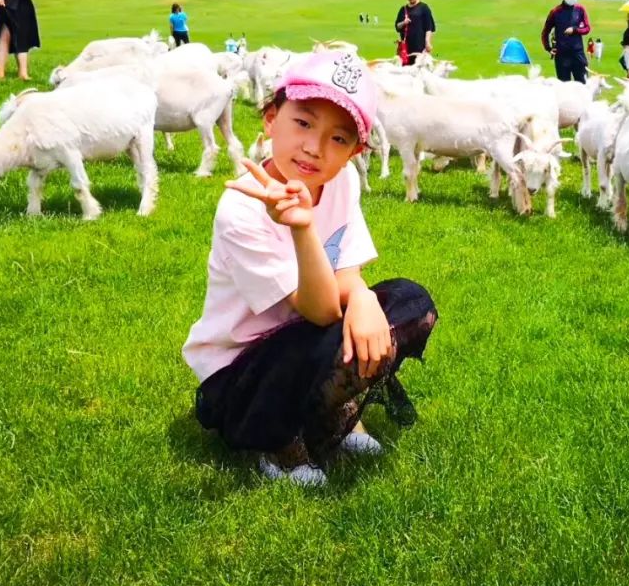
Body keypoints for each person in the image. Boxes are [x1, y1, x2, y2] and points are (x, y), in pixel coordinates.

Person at [183, 50, 438, 487]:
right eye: (303, 123)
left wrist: (362, 297)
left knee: (411, 303)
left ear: (355, 151)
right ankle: (278, 442)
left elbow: (345, 271)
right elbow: (319, 311)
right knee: (334, 332)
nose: (314, 148)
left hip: (304, 340)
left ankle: (329, 411)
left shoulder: (342, 181)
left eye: (338, 138)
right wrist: (302, 228)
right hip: (241, 375)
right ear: (271, 119)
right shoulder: (241, 209)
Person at [540, 0, 591, 83]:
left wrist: (575, 30)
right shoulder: (555, 12)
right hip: (562, 55)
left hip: (578, 54)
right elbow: (545, 32)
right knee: (563, 86)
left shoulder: (580, 10)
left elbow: (587, 28)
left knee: (583, 84)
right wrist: (548, 48)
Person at [394, 0, 436, 65]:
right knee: (405, 69)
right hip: (406, 47)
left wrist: (427, 42)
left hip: (420, 46)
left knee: (420, 68)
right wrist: (404, 22)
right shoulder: (403, 9)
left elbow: (429, 27)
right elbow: (397, 26)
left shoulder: (424, 8)